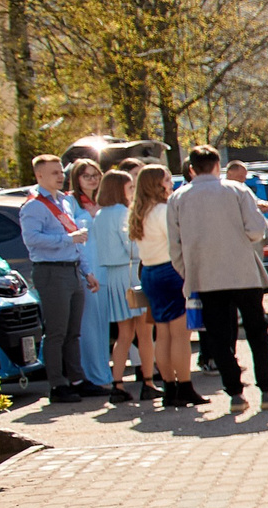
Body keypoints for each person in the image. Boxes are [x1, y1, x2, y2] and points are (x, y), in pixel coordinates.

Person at [171, 144, 268, 410]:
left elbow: (175, 244)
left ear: (191, 169)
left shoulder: (178, 199)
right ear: (216, 166)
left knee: (219, 336)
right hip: (243, 272)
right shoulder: (236, 190)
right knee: (257, 331)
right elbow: (258, 230)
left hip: (206, 275)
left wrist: (188, 272)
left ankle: (235, 393)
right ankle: (267, 390)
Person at [19, 154, 107, 403]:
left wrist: (87, 271)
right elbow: (32, 239)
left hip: (72, 269)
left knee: (73, 331)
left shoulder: (64, 202)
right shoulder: (34, 205)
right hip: (50, 271)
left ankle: (77, 379)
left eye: (61, 172)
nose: (61, 176)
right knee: (57, 331)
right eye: (55, 173)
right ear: (39, 176)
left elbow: (78, 240)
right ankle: (57, 384)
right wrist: (67, 240)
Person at [132, 165, 197, 409]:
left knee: (163, 333)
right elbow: (177, 244)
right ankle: (185, 386)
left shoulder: (140, 212)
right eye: (167, 180)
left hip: (149, 272)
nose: (171, 184)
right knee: (180, 335)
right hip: (170, 271)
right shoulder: (162, 211)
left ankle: (170, 386)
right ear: (156, 184)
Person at [90, 169, 152, 402]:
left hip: (113, 276)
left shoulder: (100, 215)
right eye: (129, 188)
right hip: (131, 273)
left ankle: (117, 383)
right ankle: (148, 381)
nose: (133, 192)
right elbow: (132, 247)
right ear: (119, 190)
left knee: (124, 334)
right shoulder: (122, 213)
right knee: (144, 332)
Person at [67, 159, 117, 391]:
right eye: (86, 176)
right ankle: (92, 376)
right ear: (77, 179)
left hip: (105, 268)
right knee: (87, 326)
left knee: (102, 325)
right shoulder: (71, 202)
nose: (92, 179)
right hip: (85, 270)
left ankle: (102, 373)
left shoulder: (105, 202)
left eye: (95, 175)